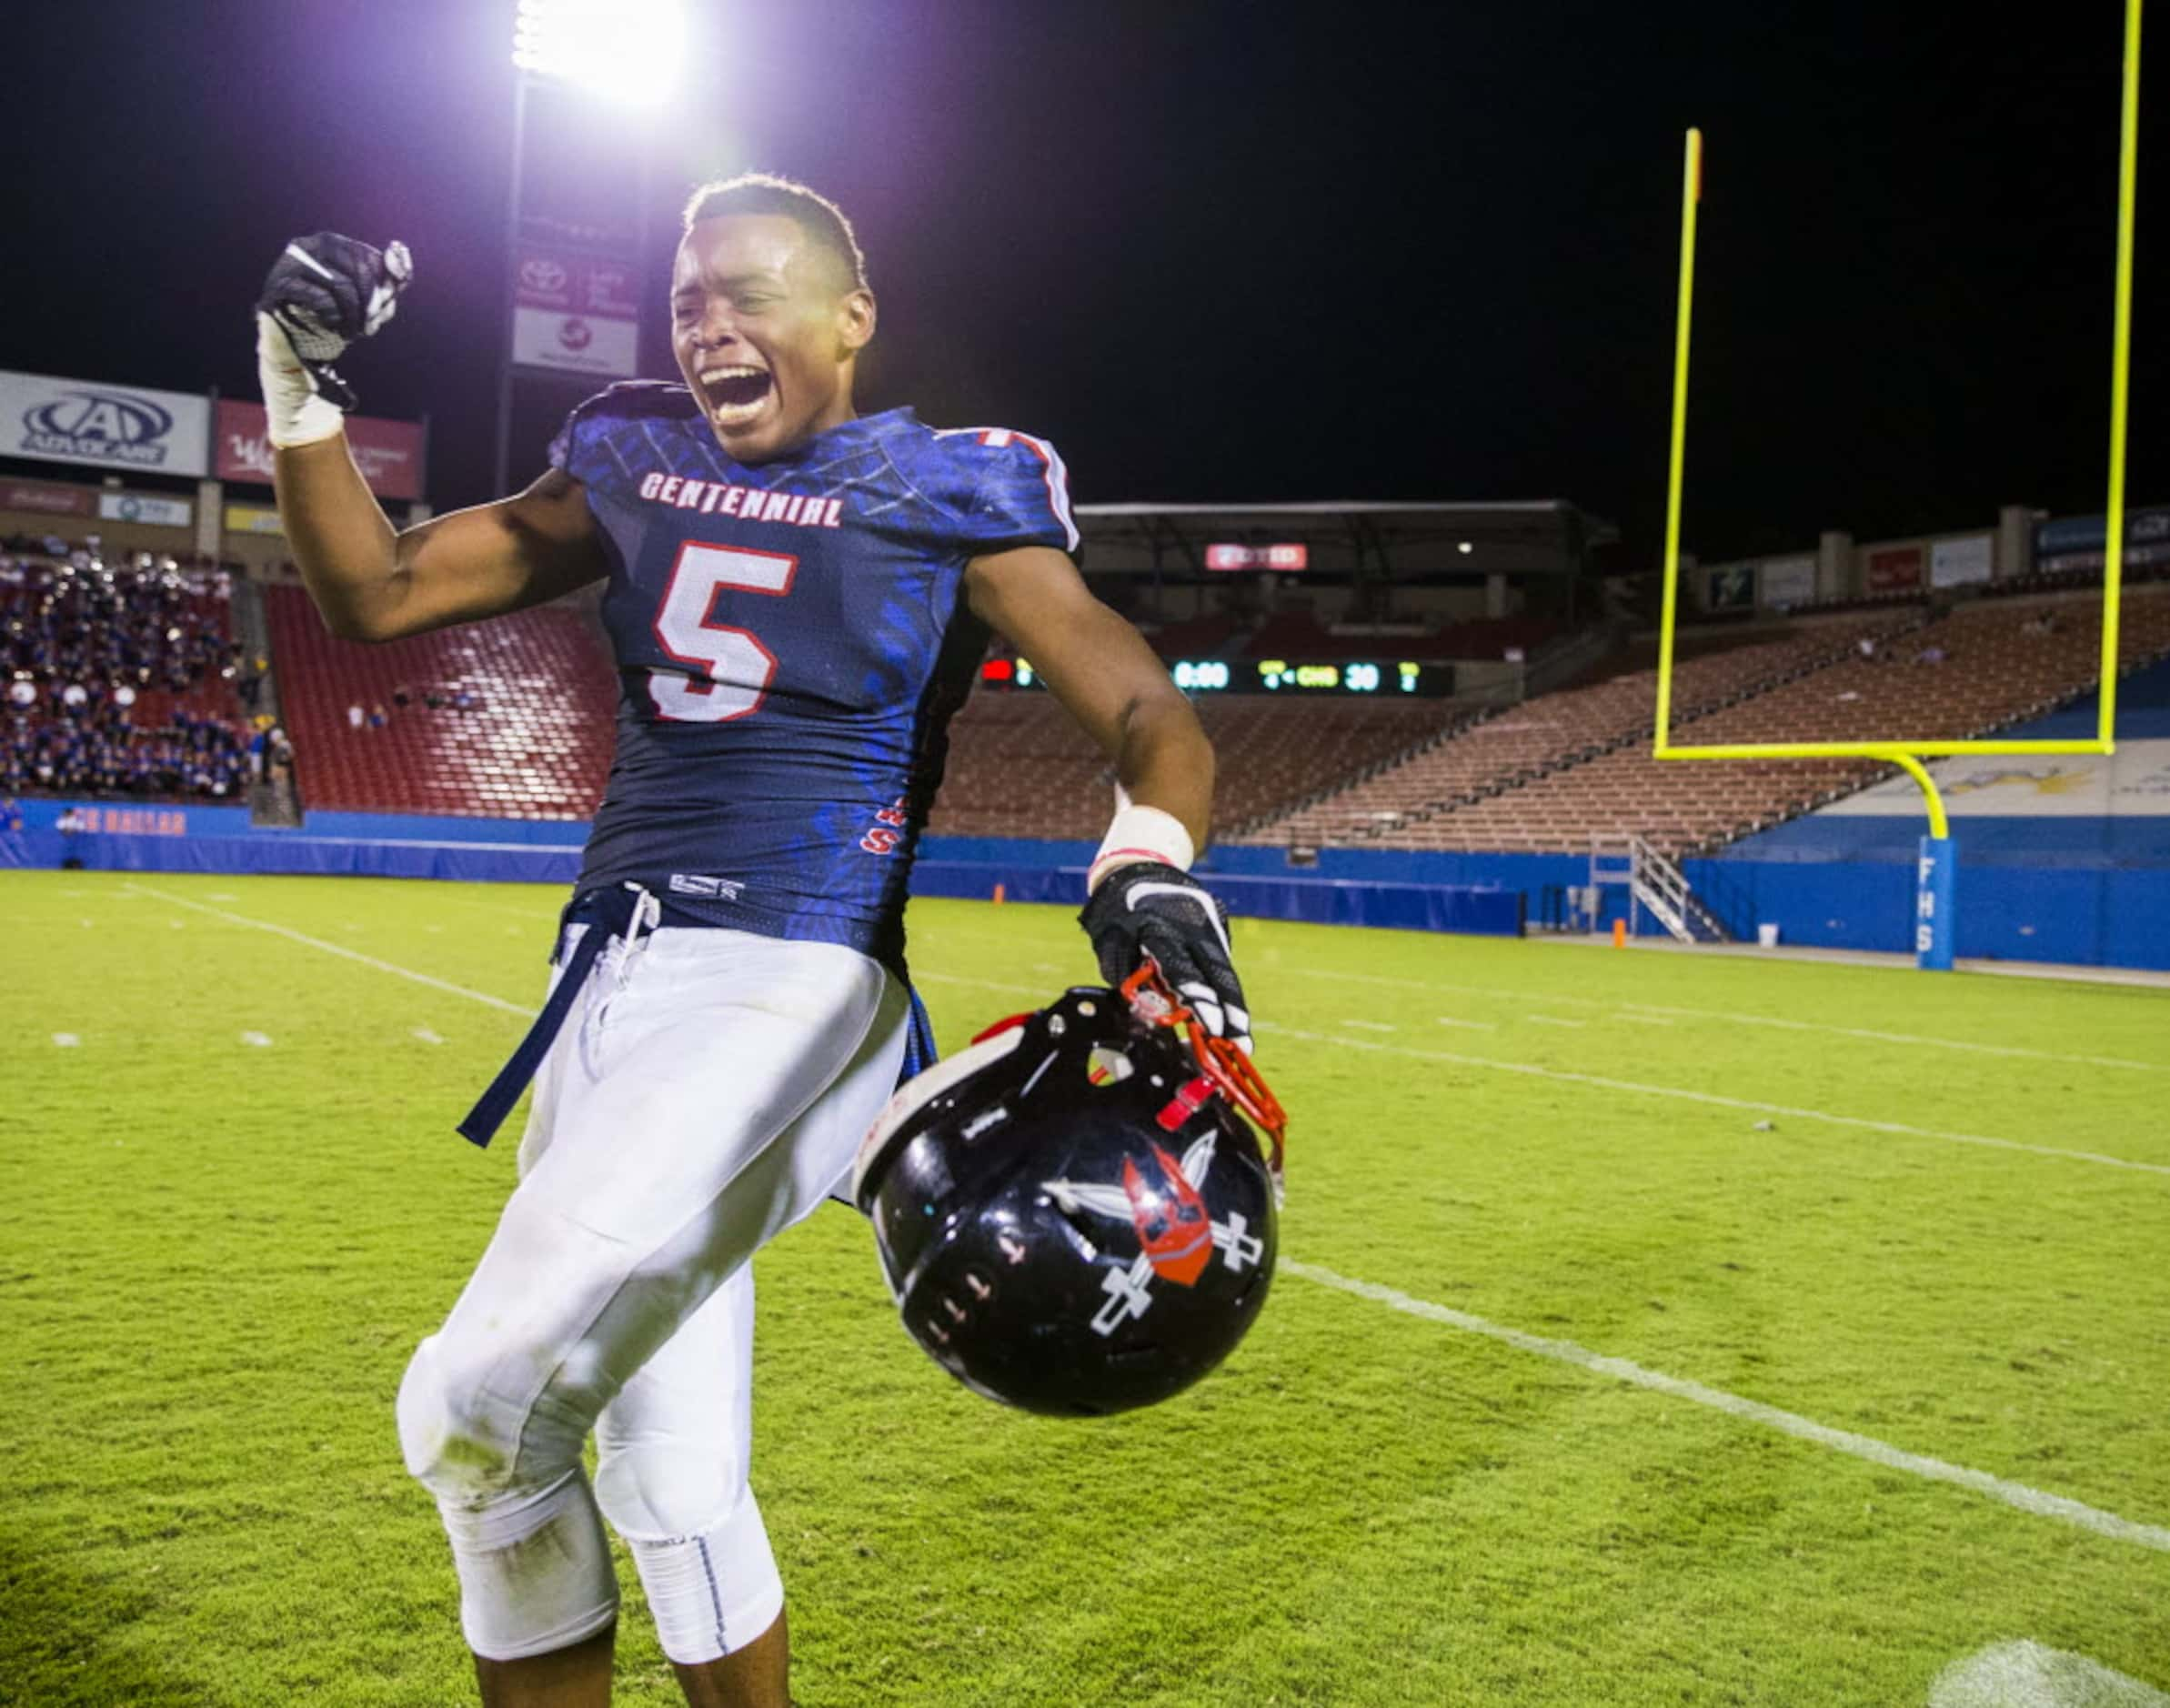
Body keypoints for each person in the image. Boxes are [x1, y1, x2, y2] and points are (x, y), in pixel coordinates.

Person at [256, 176, 1250, 1708]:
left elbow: (1142, 710)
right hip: (608, 983)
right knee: (672, 1473)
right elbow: (375, 591)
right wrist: (297, 384)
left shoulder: (942, 487)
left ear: (851, 318)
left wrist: (1148, 862)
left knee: (471, 1411)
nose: (709, 322)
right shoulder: (634, 456)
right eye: (686, 299)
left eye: (751, 291)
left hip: (790, 973)